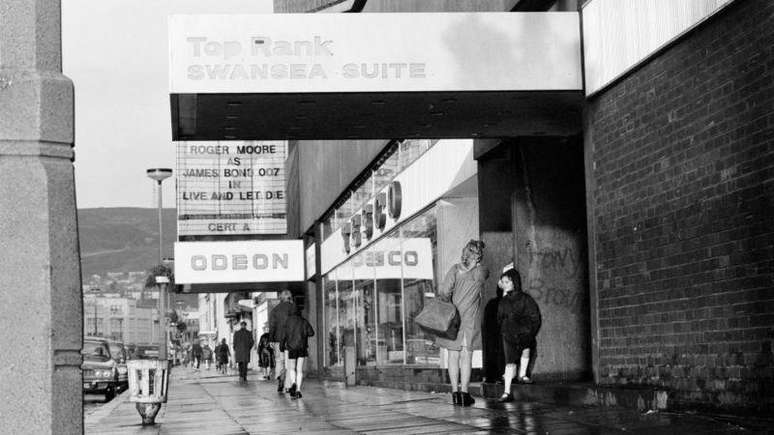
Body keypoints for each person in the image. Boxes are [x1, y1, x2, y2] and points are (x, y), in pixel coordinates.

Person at [436, 239, 488, 407]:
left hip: (454, 319)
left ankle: (455, 393)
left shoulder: (455, 270)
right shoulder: (481, 272)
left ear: (465, 253)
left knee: (453, 356)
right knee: (467, 357)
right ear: (479, 256)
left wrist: (450, 300)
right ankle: (465, 394)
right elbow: (481, 276)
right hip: (469, 321)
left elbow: (444, 291)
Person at [496, 268, 541, 403]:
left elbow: (535, 317)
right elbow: (499, 318)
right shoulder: (504, 301)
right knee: (509, 362)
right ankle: (507, 391)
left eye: (507, 282)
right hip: (509, 334)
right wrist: (505, 329)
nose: (504, 285)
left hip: (523, 332)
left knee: (525, 351)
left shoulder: (525, 299)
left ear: (514, 282)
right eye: (503, 282)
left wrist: (529, 330)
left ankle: (522, 376)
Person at [283, 307, 315, 399]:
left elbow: (284, 335)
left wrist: (282, 345)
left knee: (292, 367)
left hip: (291, 347)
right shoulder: (304, 321)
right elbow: (312, 333)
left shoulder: (288, 322)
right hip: (302, 347)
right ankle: (298, 390)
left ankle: (293, 382)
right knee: (299, 369)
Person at [268, 290, 295, 393]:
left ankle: (280, 378)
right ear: (290, 297)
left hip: (278, 340)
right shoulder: (294, 308)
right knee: (289, 362)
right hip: (290, 339)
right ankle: (288, 385)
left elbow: (272, 326)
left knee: (279, 360)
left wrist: (271, 339)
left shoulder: (275, 310)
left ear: (281, 297)